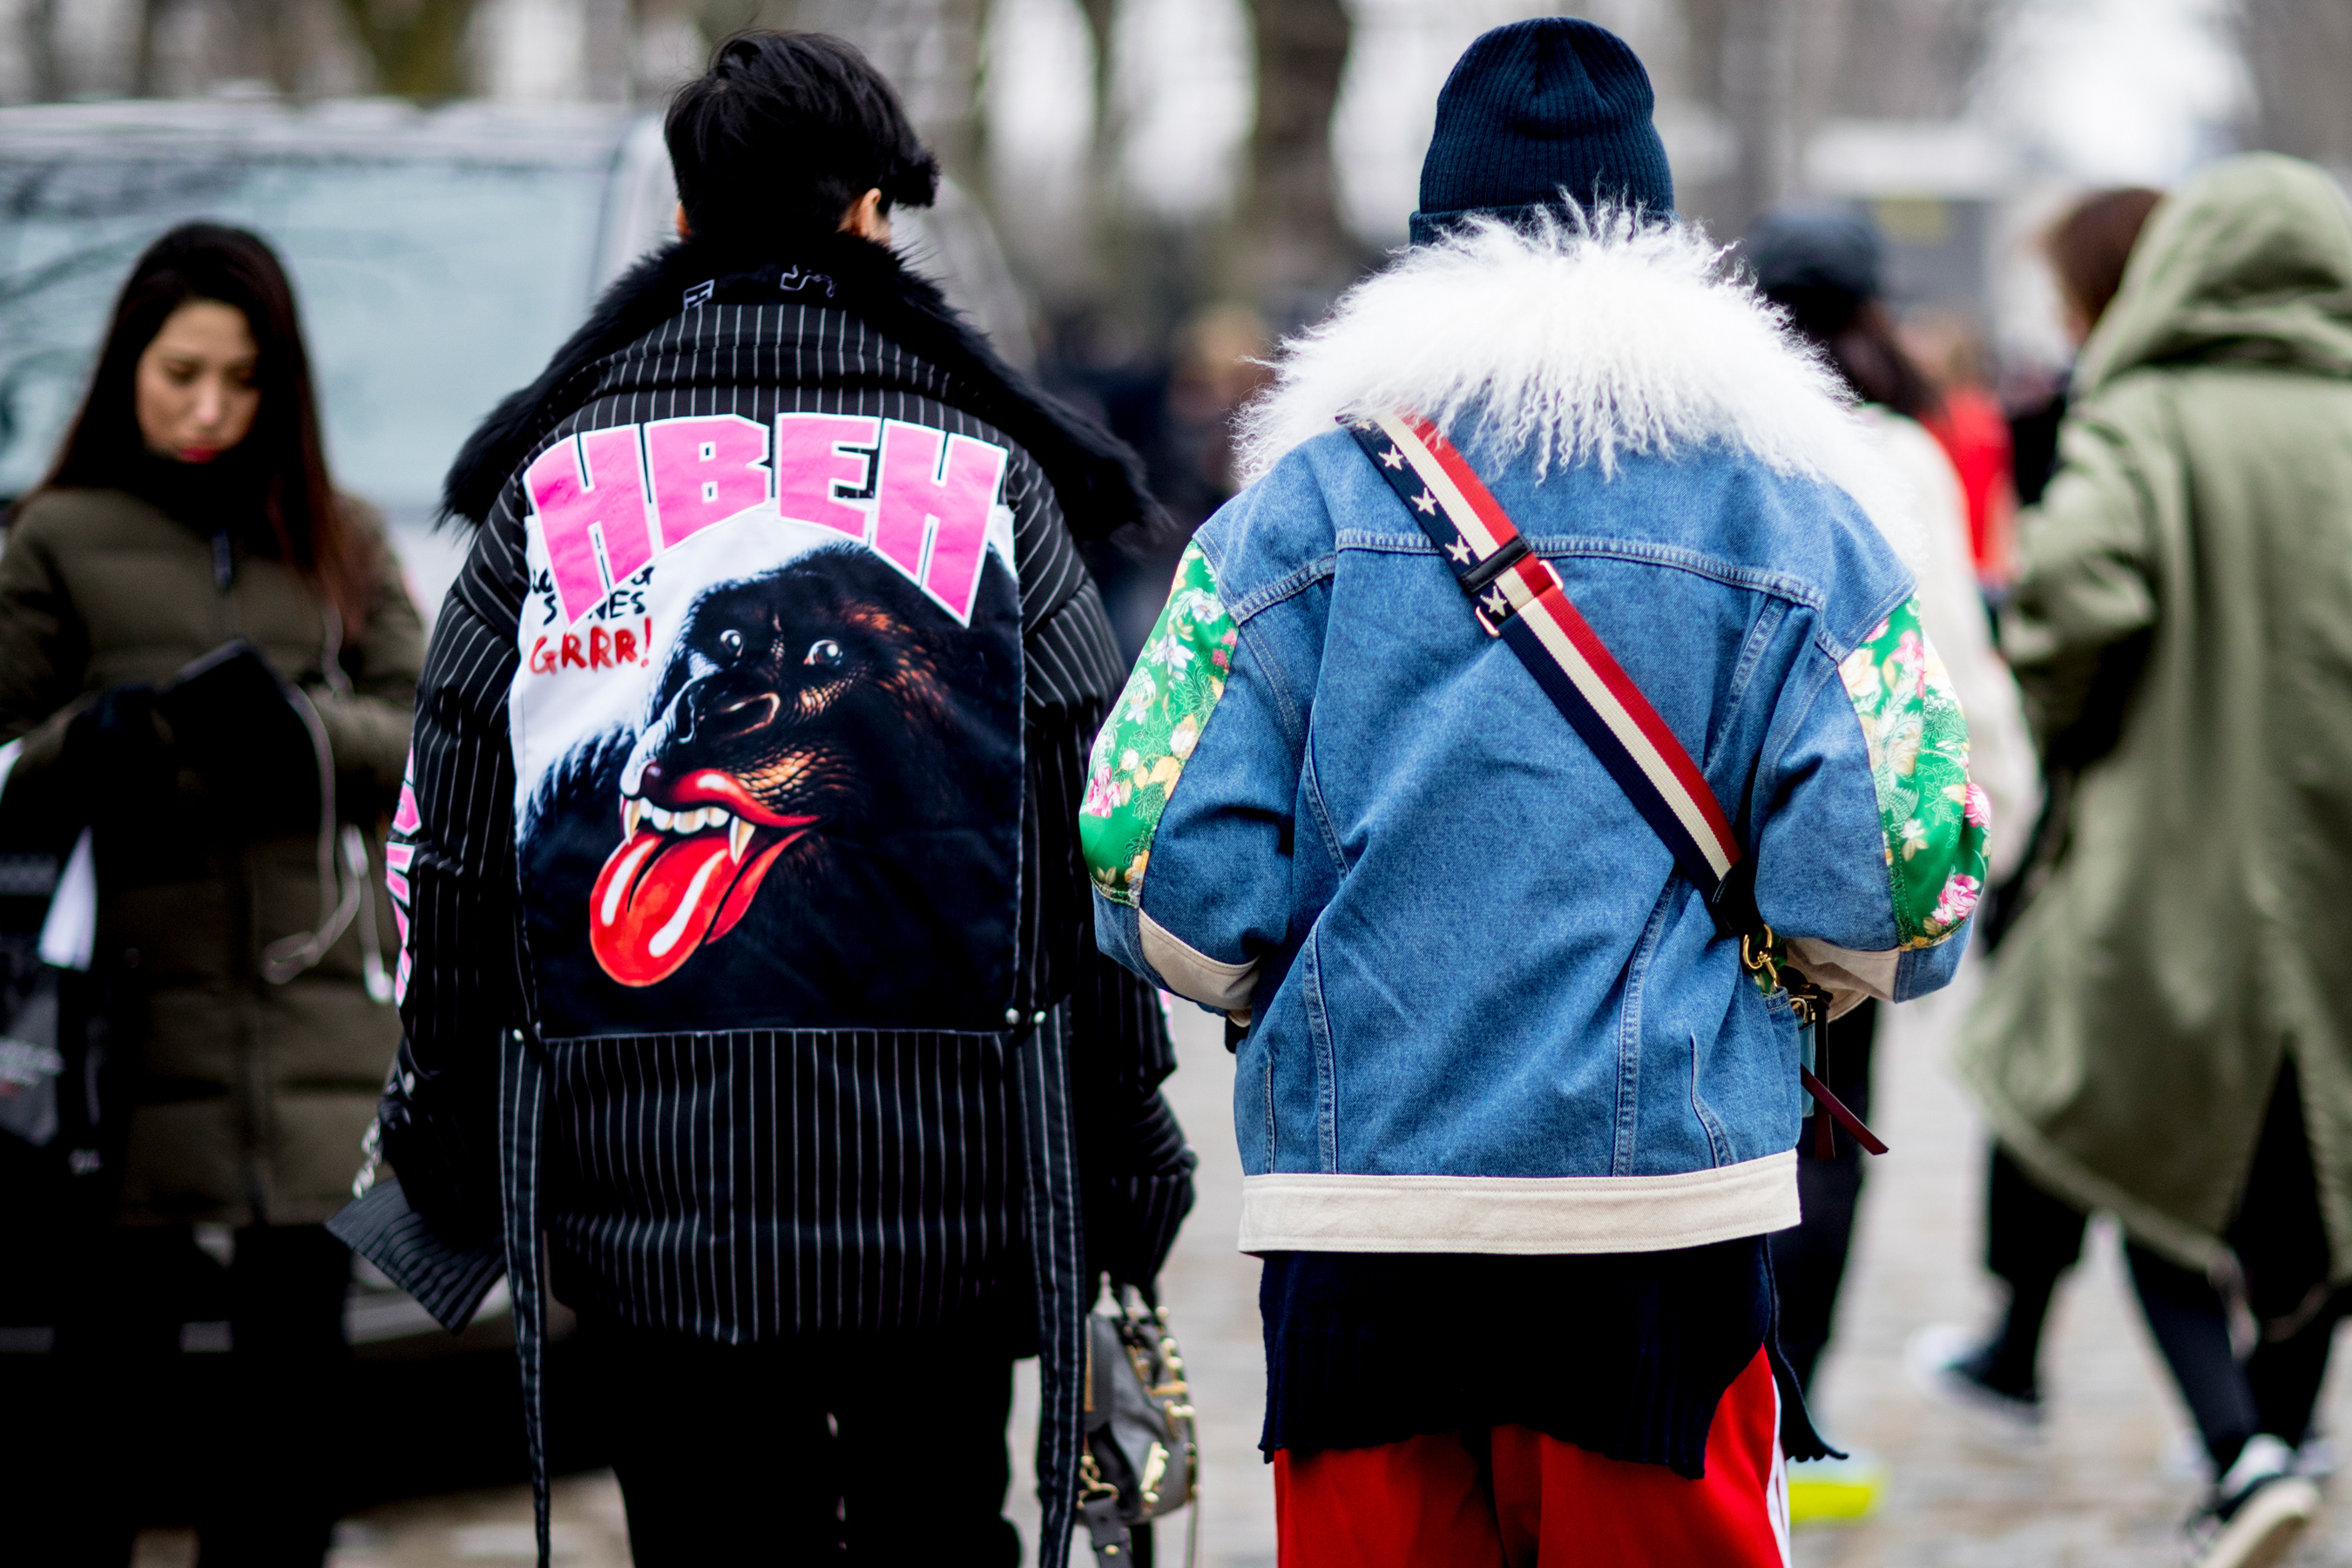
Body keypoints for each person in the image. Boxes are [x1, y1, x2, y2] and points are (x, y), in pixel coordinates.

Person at [1083, 19, 1985, 1565]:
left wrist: (1284, 987)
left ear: (1429, 250)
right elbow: (1903, 880)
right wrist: (1789, 979)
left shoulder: (1284, 517)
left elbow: (1142, 850)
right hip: (1664, 1217)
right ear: (1660, 241)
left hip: (1361, 1217)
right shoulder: (1798, 515)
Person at [335, 30, 1193, 1568]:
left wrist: (443, 1130)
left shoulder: (553, 485)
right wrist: (1128, 1145)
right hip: (950, 1180)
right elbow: (1099, 844)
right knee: (942, 1535)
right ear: (874, 217)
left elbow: (447, 849)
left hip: (648, 1197)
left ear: (683, 225)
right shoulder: (991, 479)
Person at [1948, 154, 2352, 1568]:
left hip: (2171, 854)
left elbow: (2071, 601)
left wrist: (2080, 724)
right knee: (2327, 1161)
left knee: (2140, 1140)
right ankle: (2283, 1440)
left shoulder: (2149, 413)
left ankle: (2239, 1449)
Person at [0, 223, 422, 1565]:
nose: (207, 409)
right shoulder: (54, 538)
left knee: (292, 1431)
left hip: (314, 1037)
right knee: (96, 1422)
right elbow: (4, 753)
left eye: (241, 381)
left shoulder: (339, 538)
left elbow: (433, 731)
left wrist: (301, 733)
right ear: (130, 360)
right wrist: (91, 745)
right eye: (182, 372)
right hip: (123, 1045)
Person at [1738, 206, 2039, 1516]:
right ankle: (1796, 1420)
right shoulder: (1900, 454)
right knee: (1829, 1139)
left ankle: (1716, 1403)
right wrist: (1988, 834)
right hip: (1848, 866)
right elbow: (1954, 677)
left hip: (1701, 859)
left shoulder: (1713, 441)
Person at [1913, 185, 2167, 1416]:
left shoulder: (2094, 416)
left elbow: (2073, 613)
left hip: (2110, 809)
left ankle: (2027, 1338)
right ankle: (2265, 1410)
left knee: (2052, 1071)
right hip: (2275, 817)